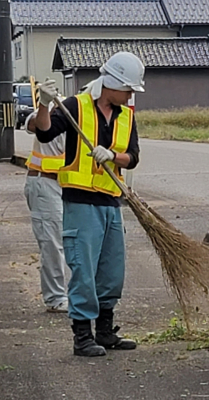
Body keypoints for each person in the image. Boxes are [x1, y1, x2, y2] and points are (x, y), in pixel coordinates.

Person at [33, 52, 144, 357]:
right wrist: (43, 104)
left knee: (111, 271)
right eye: (129, 89)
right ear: (112, 83)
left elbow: (133, 156)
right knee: (84, 268)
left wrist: (112, 155)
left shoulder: (127, 116)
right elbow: (44, 131)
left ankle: (105, 331)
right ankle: (82, 335)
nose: (131, 94)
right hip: (81, 202)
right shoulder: (75, 107)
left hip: (111, 202)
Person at [22, 98, 69, 313]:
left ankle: (72, 293)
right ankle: (56, 298)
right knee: (52, 242)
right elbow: (35, 125)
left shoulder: (89, 118)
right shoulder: (51, 109)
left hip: (68, 185)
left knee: (70, 240)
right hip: (45, 183)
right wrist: (44, 102)